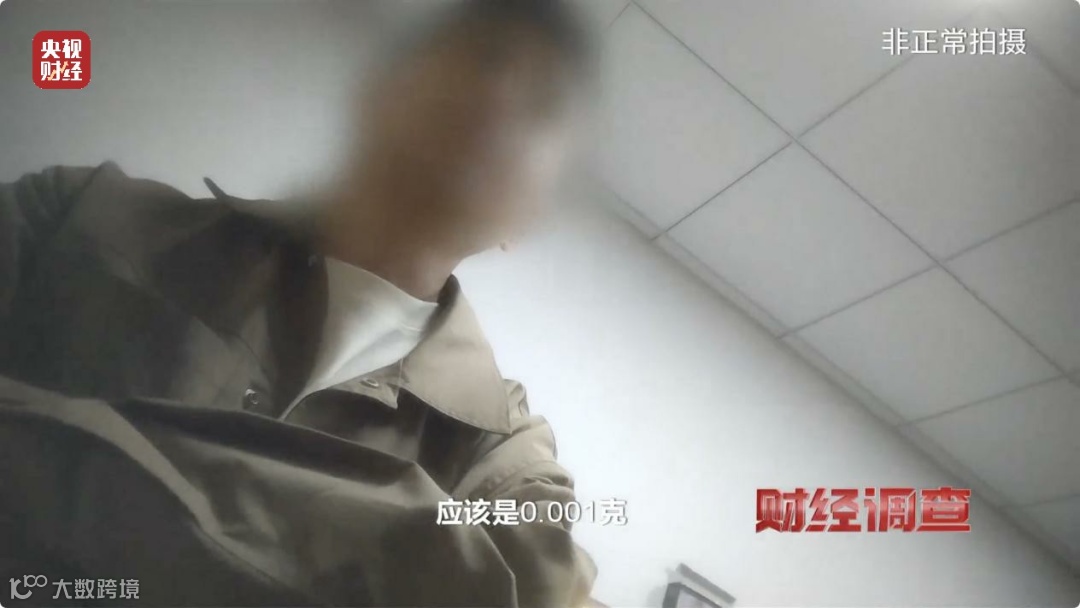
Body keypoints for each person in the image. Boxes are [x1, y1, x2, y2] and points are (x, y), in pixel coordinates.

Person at [0, 1, 598, 605]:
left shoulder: (507, 455)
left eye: (543, 103)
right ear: (382, 95)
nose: (500, 96)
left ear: (528, 219)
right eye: (485, 56)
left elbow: (526, 590)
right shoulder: (80, 212)